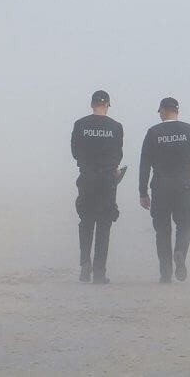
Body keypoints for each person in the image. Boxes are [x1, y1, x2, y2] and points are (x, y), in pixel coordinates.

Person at [139, 97, 190, 283]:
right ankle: (180, 251)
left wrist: (142, 192)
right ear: (177, 111)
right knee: (185, 224)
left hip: (160, 187)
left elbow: (144, 164)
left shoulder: (153, 133)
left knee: (162, 230)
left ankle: (165, 273)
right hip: (183, 186)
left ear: (162, 110)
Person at [71, 90, 125, 284]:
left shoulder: (80, 125)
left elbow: (75, 152)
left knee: (86, 223)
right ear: (108, 105)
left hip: (86, 179)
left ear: (91, 104)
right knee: (104, 225)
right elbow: (118, 154)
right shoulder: (116, 127)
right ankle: (100, 272)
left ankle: (85, 264)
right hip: (107, 181)